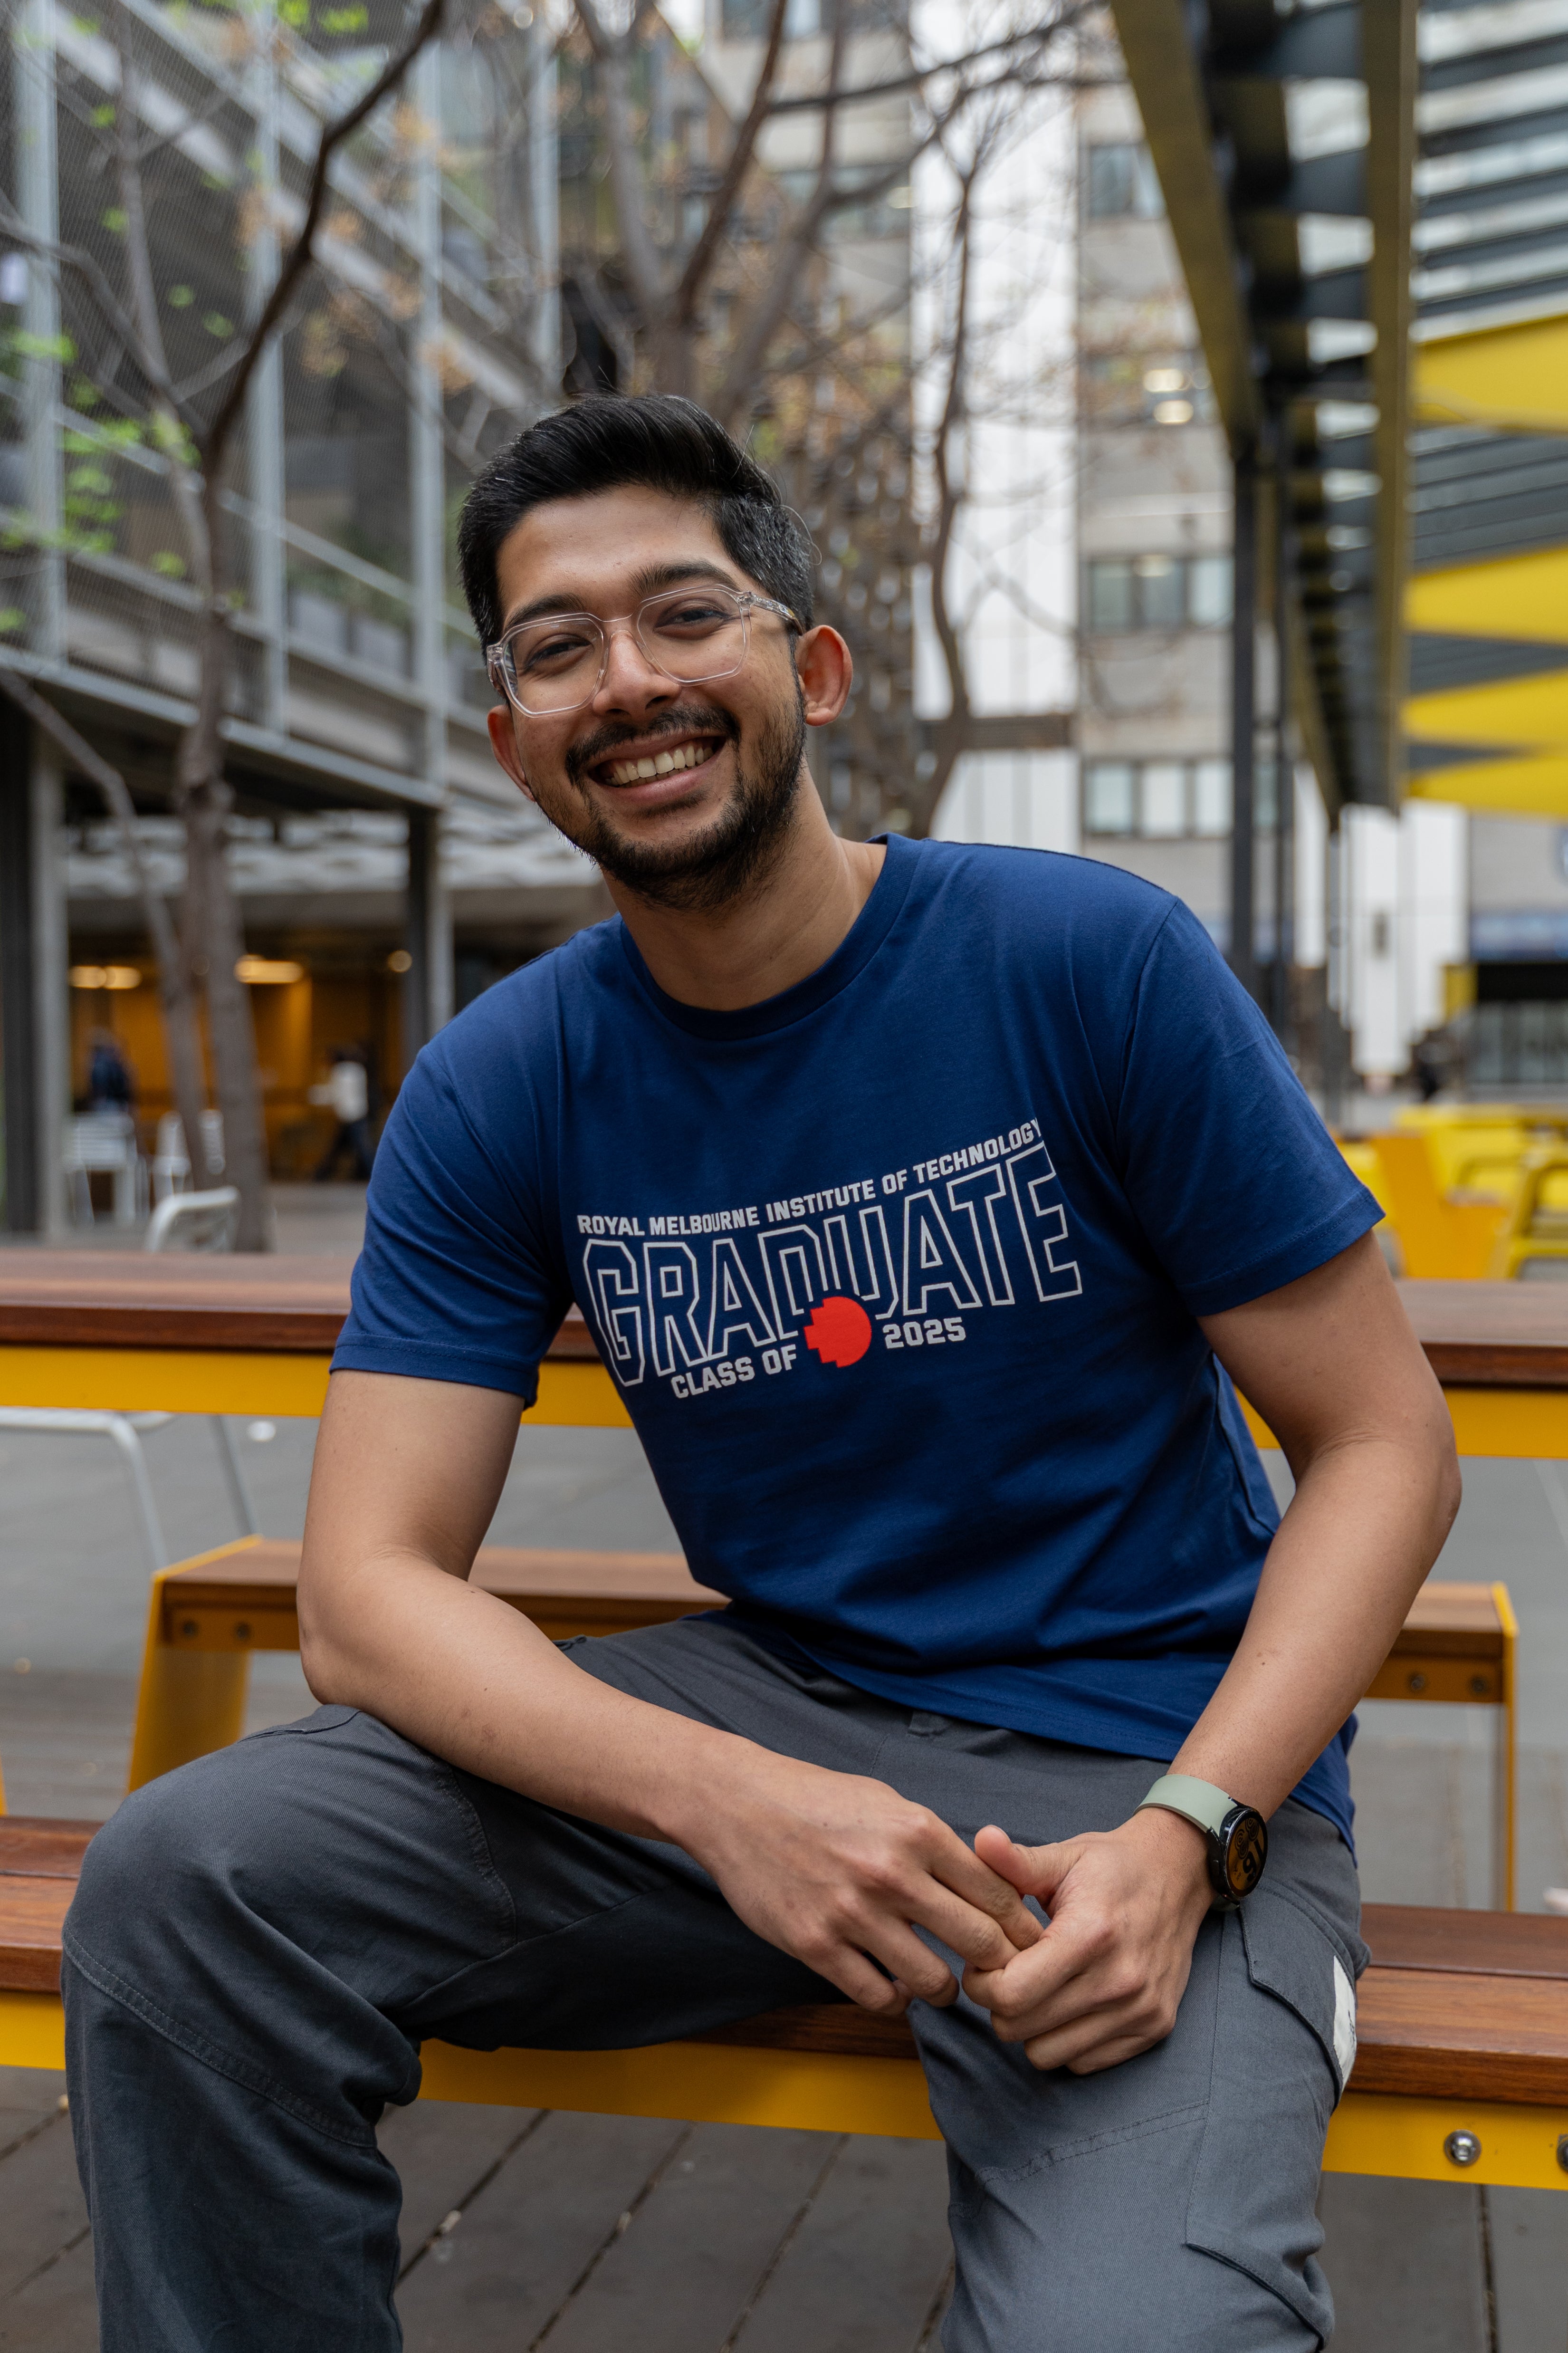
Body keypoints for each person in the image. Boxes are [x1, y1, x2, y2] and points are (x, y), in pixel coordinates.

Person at [63, 396, 1460, 2352]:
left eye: (682, 613)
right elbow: (366, 1599)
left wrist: (1193, 1829)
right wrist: (734, 1798)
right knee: (188, 1880)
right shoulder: (504, 1079)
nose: (624, 679)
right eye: (557, 645)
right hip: (778, 1716)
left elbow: (1383, 1440)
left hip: (1148, 1761)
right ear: (512, 740)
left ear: (808, 665)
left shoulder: (1090, 961)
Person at [309, 1043, 373, 1180]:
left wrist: (316, 1096)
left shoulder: (339, 1071)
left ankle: (322, 1174)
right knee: (351, 1147)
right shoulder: (358, 1070)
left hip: (348, 1115)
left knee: (359, 1149)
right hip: (359, 1113)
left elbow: (335, 1094)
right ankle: (322, 1174)